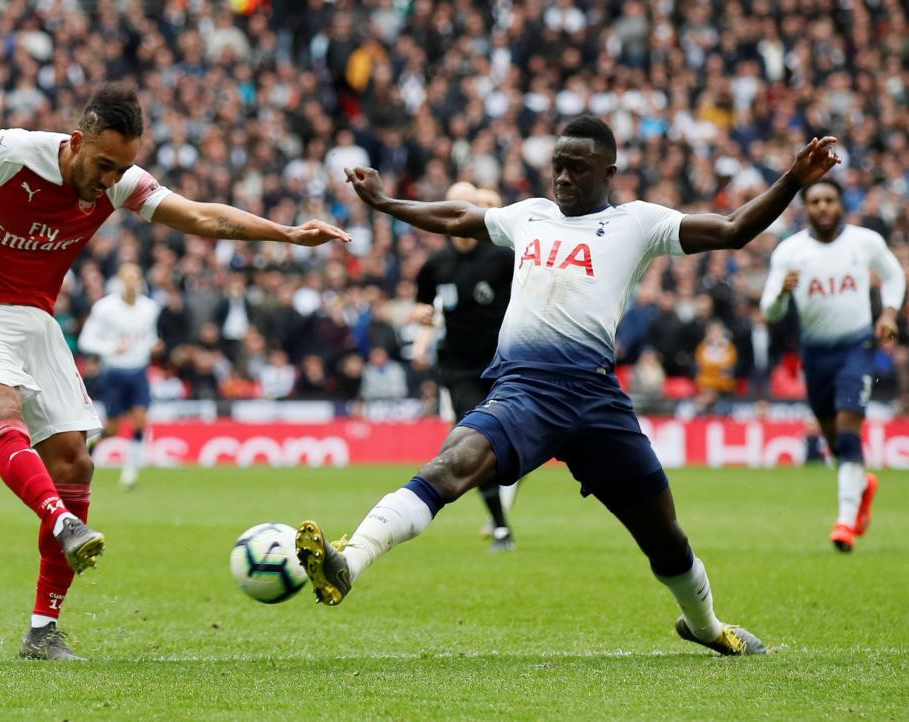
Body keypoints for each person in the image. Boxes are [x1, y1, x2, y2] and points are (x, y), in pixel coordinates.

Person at [0, 82, 349, 660]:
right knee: (1, 407)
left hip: (37, 323)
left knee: (75, 460)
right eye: (104, 164)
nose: (110, 179)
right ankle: (63, 522)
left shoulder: (122, 184)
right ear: (77, 141)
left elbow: (205, 218)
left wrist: (285, 234)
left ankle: (42, 631)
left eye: (123, 167)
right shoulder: (11, 151)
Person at [295, 115, 840, 656]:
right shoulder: (530, 216)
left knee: (663, 537)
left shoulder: (638, 223)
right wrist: (388, 204)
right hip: (524, 391)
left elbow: (731, 229)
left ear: (609, 172)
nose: (562, 178)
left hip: (597, 401)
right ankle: (351, 560)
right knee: (450, 465)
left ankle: (705, 625)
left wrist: (793, 179)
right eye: (557, 166)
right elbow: (459, 214)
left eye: (576, 169)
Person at [759, 178, 904, 553]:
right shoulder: (790, 252)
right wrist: (781, 294)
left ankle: (844, 520)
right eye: (816, 201)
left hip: (857, 346)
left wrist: (888, 312)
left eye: (829, 200)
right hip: (816, 354)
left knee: (849, 426)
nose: (823, 207)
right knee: (836, 440)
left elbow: (894, 275)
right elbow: (768, 310)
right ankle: (863, 485)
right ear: (805, 208)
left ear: (841, 205)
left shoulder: (863, 242)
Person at [414, 181, 519, 552]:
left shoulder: (502, 258)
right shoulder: (435, 265)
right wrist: (421, 313)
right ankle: (501, 524)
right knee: (471, 442)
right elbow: (421, 303)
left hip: (503, 364)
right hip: (458, 366)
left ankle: (504, 495)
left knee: (505, 442)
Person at [78, 262, 160, 489]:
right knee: (113, 427)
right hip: (114, 371)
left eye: (136, 277)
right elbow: (87, 341)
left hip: (139, 370)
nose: (132, 282)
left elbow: (148, 336)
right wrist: (111, 349)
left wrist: (154, 344)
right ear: (120, 282)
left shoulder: (150, 308)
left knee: (139, 420)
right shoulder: (105, 308)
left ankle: (130, 474)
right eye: (127, 277)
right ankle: (95, 443)